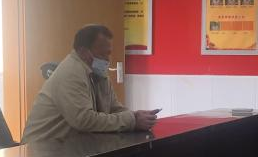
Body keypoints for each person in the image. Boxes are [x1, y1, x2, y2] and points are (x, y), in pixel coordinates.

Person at [22, 24, 159, 142]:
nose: (107, 59)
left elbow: (113, 108)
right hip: (41, 151)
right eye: (103, 54)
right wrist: (132, 121)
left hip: (67, 147)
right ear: (83, 52)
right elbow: (84, 120)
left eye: (109, 53)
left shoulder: (97, 72)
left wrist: (137, 116)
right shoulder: (71, 73)